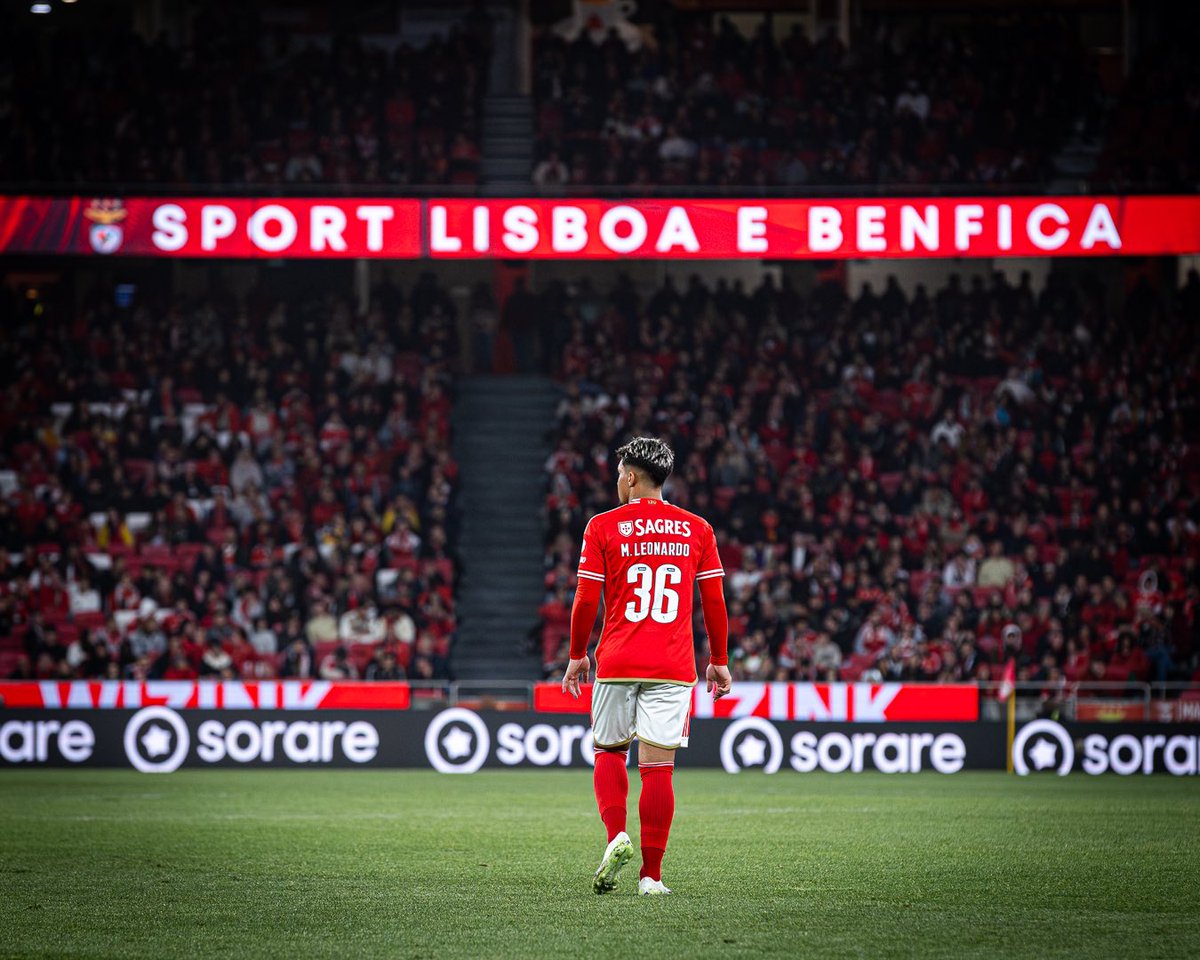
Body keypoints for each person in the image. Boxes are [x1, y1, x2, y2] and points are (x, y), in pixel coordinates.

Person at [561, 437, 731, 897]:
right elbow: (713, 600)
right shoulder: (698, 529)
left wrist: (578, 654)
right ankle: (651, 877)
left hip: (617, 660)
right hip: (672, 666)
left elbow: (585, 599)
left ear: (631, 477)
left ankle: (616, 836)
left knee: (610, 752)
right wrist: (719, 661)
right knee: (658, 769)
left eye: (620, 473)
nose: (617, 480)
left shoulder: (602, 527)